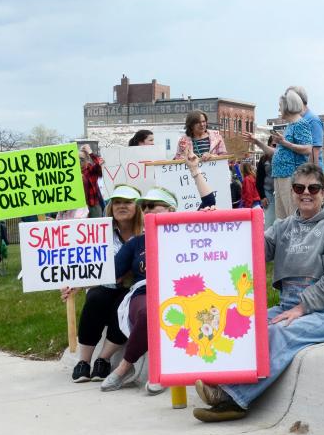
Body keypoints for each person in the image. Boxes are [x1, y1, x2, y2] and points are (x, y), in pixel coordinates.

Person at [193, 163, 324, 422]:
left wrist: (301, 308)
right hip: (292, 304)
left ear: (323, 193)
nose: (306, 193)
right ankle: (224, 382)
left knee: (279, 331)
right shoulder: (285, 226)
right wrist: (219, 225)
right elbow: (254, 248)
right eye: (299, 187)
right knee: (246, 323)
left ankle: (235, 399)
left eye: (313, 188)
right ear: (292, 192)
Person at [101, 155, 217, 392]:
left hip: (181, 294)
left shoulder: (186, 234)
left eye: (153, 206)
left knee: (172, 310)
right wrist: (73, 282)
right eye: (144, 206)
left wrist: (194, 169)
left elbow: (209, 202)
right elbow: (107, 273)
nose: (147, 210)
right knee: (150, 310)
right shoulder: (136, 243)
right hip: (144, 293)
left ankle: (148, 369)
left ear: (171, 210)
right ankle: (127, 367)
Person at [64, 184, 143, 383]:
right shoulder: (98, 232)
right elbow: (87, 263)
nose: (121, 206)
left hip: (133, 289)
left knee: (124, 308)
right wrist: (74, 284)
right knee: (95, 299)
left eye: (127, 202)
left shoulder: (145, 232)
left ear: (138, 207)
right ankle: (83, 362)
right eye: (117, 202)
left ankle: (103, 359)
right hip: (104, 286)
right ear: (110, 206)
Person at [241, 89, 314, 220]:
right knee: (282, 219)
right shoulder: (290, 126)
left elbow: (308, 149)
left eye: (280, 106)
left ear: (288, 106)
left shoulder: (300, 124)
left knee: (292, 215)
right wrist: (257, 141)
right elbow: (278, 153)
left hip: (291, 175)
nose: (279, 109)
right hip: (280, 176)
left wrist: (285, 143)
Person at [288, 86, 324, 167]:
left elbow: (315, 151)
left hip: (308, 174)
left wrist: (311, 176)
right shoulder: (295, 120)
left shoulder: (313, 120)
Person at [79, 144, 105, 218]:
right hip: (79, 207)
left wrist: (90, 152)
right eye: (77, 159)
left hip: (93, 205)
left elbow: (100, 164)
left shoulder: (91, 170)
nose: (79, 161)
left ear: (87, 159)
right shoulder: (72, 173)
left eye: (82, 159)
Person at [256, 141, 275, 226]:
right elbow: (259, 179)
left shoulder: (283, 157)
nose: (275, 147)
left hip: (280, 191)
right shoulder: (263, 160)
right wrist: (262, 196)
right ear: (268, 145)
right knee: (270, 219)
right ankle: (268, 238)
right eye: (274, 145)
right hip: (268, 192)